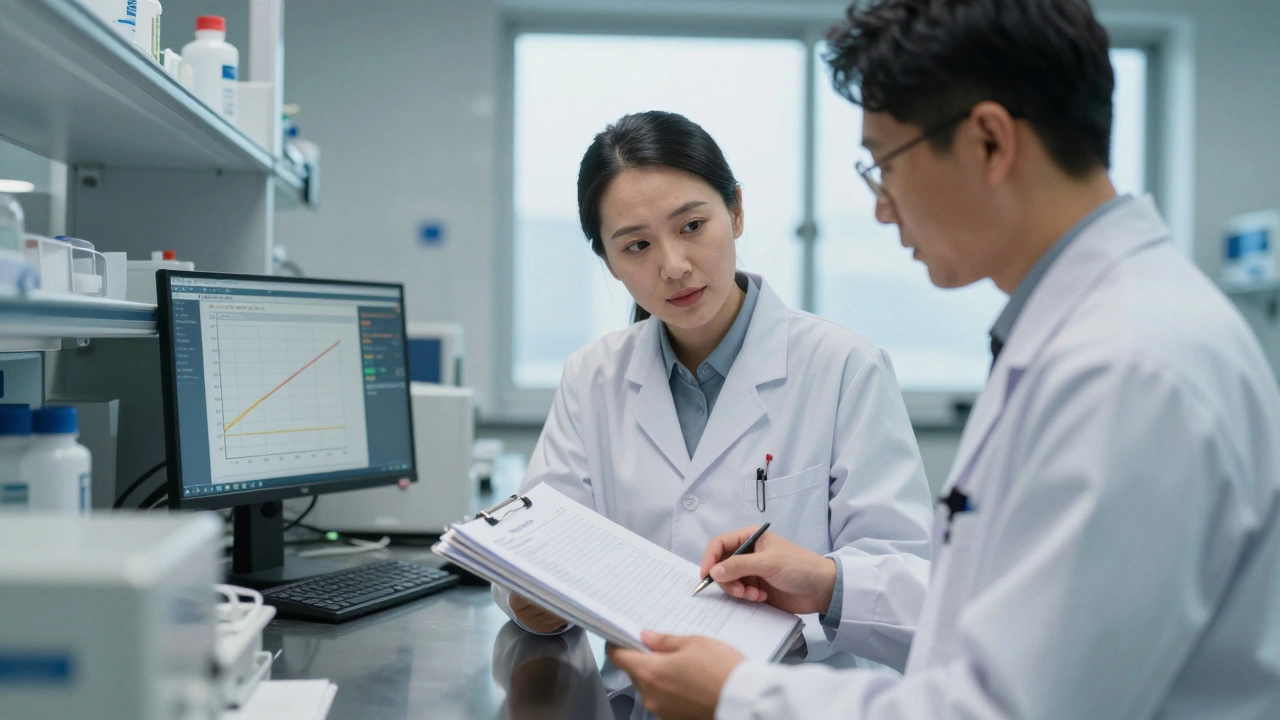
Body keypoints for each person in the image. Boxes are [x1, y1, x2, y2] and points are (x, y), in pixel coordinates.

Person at [606, 1, 1280, 718]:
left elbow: (1008, 709)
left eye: (885, 165)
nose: (882, 209)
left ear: (989, 141)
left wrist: (735, 695)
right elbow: (1006, 607)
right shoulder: (1089, 331)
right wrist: (832, 583)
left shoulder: (1128, 367)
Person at [494, 110, 935, 714]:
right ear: (609, 262)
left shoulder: (843, 367)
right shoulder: (592, 376)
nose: (673, 265)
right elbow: (530, 546)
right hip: (638, 700)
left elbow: (908, 578)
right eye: (637, 246)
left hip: (790, 700)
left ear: (737, 212)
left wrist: (825, 582)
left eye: (693, 225)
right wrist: (529, 599)